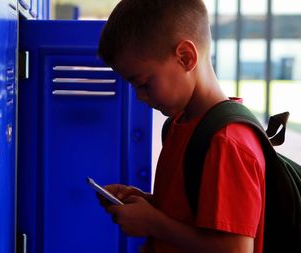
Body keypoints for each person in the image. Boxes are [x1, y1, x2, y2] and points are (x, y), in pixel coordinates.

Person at [96, 0, 266, 252]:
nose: (140, 97)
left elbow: (235, 248)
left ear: (186, 57)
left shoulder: (227, 142)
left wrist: (154, 223)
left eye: (142, 83)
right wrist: (149, 205)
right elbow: (196, 216)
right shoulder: (180, 125)